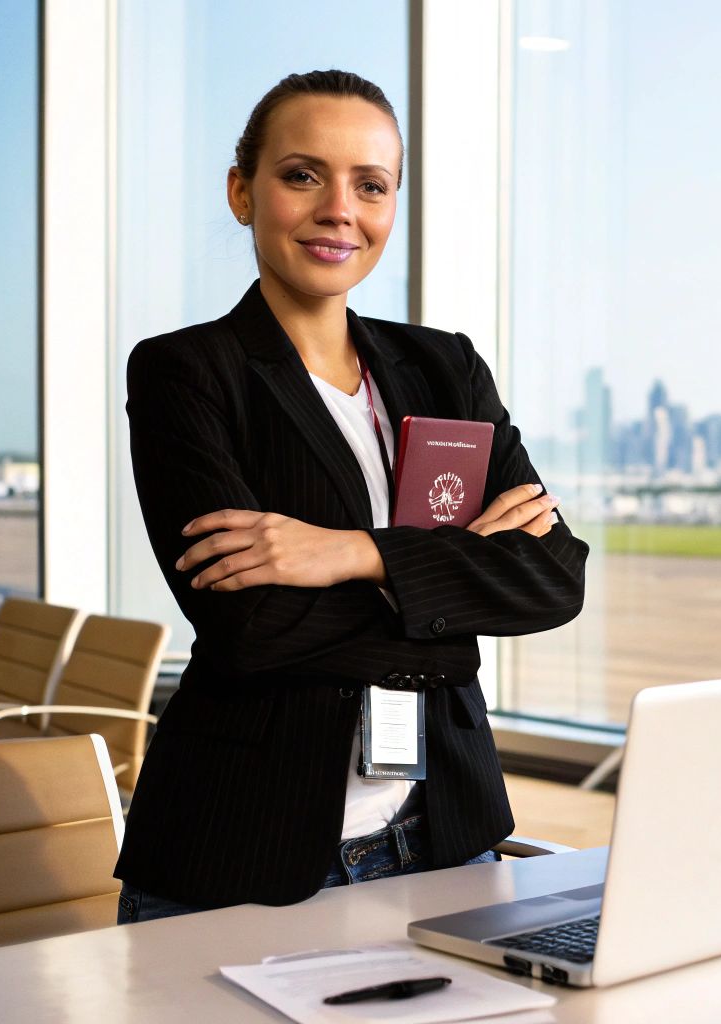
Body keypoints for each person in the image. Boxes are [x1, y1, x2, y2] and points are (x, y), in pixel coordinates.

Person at [114, 69, 587, 922]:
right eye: (303, 175)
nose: (341, 209)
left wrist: (351, 553)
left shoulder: (445, 368)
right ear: (241, 192)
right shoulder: (187, 371)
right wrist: (451, 610)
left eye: (371, 185)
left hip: (445, 837)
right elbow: (249, 627)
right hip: (242, 849)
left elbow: (554, 576)